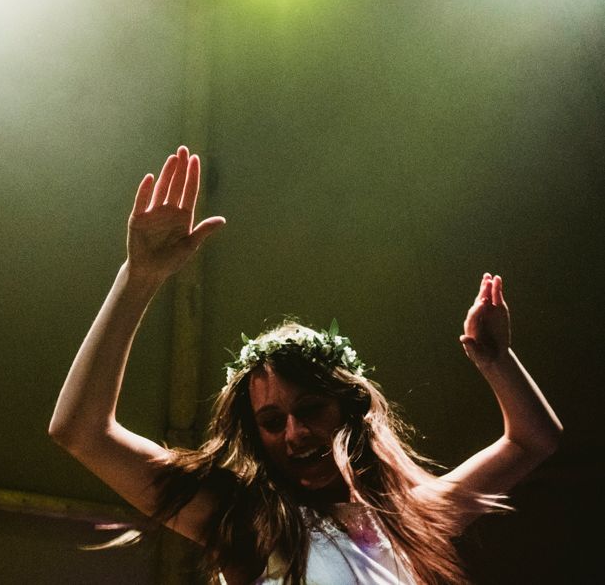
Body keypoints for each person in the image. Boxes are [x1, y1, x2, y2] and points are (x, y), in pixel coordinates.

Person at [49, 146, 562, 585]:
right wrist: (138, 277)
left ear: (349, 406)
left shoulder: (412, 515)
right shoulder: (242, 521)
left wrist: (499, 361)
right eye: (271, 421)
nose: (294, 433)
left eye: (311, 407)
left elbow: (532, 440)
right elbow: (82, 431)